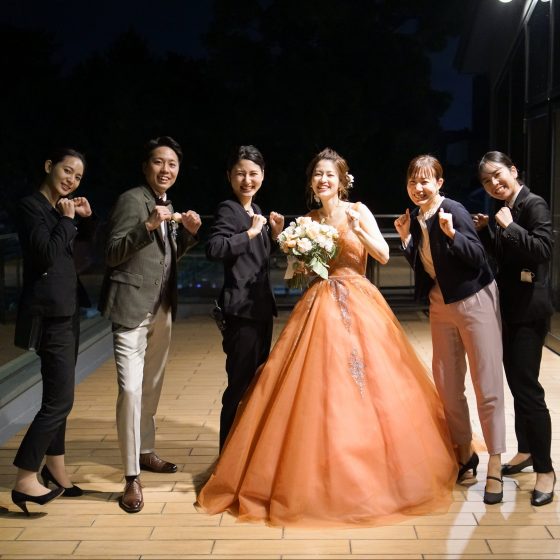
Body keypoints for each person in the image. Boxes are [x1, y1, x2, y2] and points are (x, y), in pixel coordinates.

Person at [196, 148, 457, 527]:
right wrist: (299, 254)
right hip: (319, 303)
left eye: (330, 174)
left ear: (342, 180)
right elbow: (295, 274)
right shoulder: (307, 220)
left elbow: (382, 255)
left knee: (369, 385)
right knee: (318, 388)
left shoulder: (358, 210)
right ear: (312, 182)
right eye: (318, 174)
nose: (323, 180)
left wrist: (360, 229)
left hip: (360, 302)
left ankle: (371, 463)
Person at [394, 154, 506, 505]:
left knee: (486, 382)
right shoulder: (415, 217)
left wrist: (453, 233)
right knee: (447, 384)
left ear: (439, 183)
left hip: (474, 299)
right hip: (441, 304)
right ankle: (465, 453)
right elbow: (427, 265)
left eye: (425, 180)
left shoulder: (452, 210)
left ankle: (496, 463)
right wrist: (406, 240)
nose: (418, 187)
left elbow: (478, 257)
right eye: (413, 181)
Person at [98, 136, 201, 513]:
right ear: (145, 166)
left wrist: (187, 234)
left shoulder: (167, 204)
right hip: (131, 307)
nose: (166, 169)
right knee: (130, 389)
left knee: (152, 386)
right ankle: (131, 476)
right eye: (159, 162)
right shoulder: (131, 200)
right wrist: (147, 225)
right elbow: (111, 254)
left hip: (162, 308)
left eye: (172, 164)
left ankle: (145, 450)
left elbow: (164, 257)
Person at [12, 148, 94, 514]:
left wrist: (82, 220)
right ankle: (25, 476)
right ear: (49, 166)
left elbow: (78, 255)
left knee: (57, 395)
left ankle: (55, 468)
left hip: (67, 310)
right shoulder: (31, 207)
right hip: (49, 316)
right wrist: (67, 220)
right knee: (60, 401)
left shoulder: (58, 210)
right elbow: (45, 253)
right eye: (67, 171)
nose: (71, 180)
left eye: (78, 177)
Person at [474, 151, 555, 506]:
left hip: (529, 313)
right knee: (518, 385)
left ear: (513, 170)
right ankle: (525, 451)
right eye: (487, 181)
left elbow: (543, 250)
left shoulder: (533, 204)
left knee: (528, 390)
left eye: (497, 175)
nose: (494, 183)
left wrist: (508, 227)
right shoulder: (504, 208)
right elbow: (504, 259)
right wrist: (486, 232)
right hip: (508, 309)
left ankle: (546, 470)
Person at [206, 145, 285, 451]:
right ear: (229, 176)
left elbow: (255, 258)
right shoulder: (229, 209)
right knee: (239, 386)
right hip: (240, 311)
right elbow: (214, 248)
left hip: (259, 308)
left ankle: (245, 454)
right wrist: (251, 233)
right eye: (240, 173)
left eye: (253, 173)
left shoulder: (256, 210)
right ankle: (227, 456)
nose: (247, 180)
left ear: (263, 175)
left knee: (255, 384)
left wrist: (274, 234)